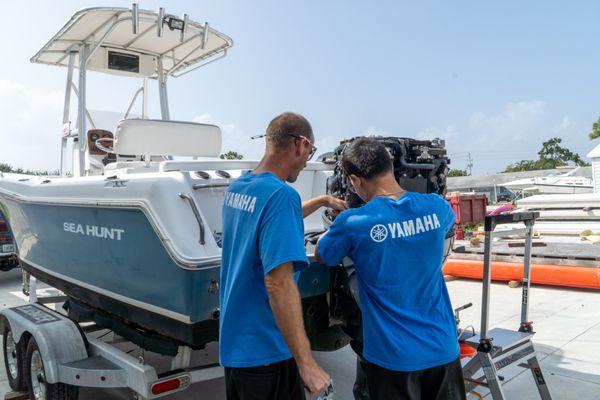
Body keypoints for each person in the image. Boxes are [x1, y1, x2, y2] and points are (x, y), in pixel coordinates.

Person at [316, 137, 466, 400]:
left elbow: (323, 255)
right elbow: (436, 229)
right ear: (391, 168)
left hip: (392, 359)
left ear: (355, 180)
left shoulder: (353, 222)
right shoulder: (437, 208)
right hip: (443, 349)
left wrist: (335, 223)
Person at [220, 112, 347, 400]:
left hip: (237, 348)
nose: (306, 160)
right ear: (300, 144)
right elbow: (278, 283)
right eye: (310, 151)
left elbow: (273, 218)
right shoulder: (281, 196)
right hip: (267, 351)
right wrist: (307, 365)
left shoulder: (239, 187)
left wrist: (324, 201)